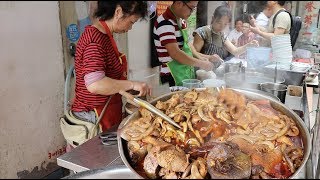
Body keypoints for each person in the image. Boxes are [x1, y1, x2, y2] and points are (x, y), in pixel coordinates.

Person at [69, 1, 151, 151]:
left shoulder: (106, 36)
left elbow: (108, 76)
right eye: (131, 22)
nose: (130, 27)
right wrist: (131, 84)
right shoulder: (95, 39)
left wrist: (128, 91)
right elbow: (95, 84)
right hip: (93, 117)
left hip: (106, 111)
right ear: (118, 12)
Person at [153, 1, 214, 87]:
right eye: (191, 8)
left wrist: (204, 58)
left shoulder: (181, 21)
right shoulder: (165, 23)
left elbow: (188, 45)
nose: (192, 12)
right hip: (171, 77)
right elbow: (175, 53)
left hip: (185, 73)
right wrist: (201, 63)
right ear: (179, 3)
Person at [190, 5, 259, 69]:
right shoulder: (202, 32)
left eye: (225, 24)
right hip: (200, 71)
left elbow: (235, 51)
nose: (221, 27)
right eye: (219, 23)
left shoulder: (222, 35)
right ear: (213, 18)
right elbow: (193, 54)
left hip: (214, 72)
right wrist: (209, 57)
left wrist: (248, 45)